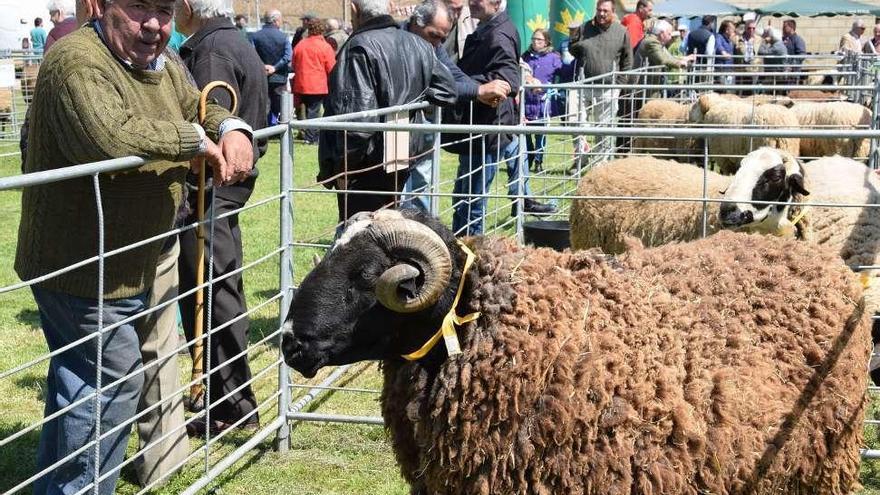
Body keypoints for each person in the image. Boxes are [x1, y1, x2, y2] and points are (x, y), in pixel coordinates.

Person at [17, 0, 255, 492]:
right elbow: (109, 134)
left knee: (83, 386)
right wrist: (193, 142)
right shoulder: (76, 62)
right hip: (82, 264)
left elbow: (198, 102)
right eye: (139, 7)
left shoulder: (162, 63)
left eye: (164, 11)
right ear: (101, 6)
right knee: (109, 387)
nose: (154, 24)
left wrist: (229, 127)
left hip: (132, 258)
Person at [175, 0, 269, 437]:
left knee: (213, 291)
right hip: (221, 189)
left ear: (191, 5)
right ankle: (224, 395)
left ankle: (232, 403)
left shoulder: (212, 52)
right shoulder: (230, 41)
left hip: (211, 191)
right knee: (217, 287)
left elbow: (213, 122)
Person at [318, 0, 456, 223]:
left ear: (354, 10)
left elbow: (357, 123)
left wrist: (342, 168)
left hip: (365, 163)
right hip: (400, 154)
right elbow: (447, 91)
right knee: (386, 226)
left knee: (362, 233)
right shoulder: (419, 44)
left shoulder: (359, 46)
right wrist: (412, 96)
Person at [446, 0, 557, 235]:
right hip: (482, 125)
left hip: (487, 128)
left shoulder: (499, 34)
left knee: (472, 200)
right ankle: (459, 248)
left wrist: (466, 85)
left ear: (496, 2)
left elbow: (507, 79)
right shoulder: (488, 29)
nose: (471, 2)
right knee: (464, 195)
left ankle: (470, 256)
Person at [401, 0, 510, 213]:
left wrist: (479, 90)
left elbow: (451, 73)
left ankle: (423, 232)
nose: (437, 43)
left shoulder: (432, 44)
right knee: (399, 187)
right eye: (433, 35)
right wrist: (479, 92)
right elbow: (435, 84)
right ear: (416, 22)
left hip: (419, 123)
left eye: (442, 39)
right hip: (393, 126)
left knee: (423, 181)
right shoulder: (397, 41)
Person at [569, 0, 632, 156]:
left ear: (613, 11)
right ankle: (580, 157)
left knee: (602, 128)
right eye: (599, 10)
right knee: (574, 121)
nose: (601, 13)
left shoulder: (622, 31)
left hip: (607, 88)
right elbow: (575, 52)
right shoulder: (585, 27)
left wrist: (618, 85)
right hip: (583, 85)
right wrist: (573, 39)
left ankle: (600, 164)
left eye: (605, 11)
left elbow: (627, 61)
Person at [522, 28, 562, 172]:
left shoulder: (553, 58)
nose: (535, 42)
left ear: (546, 42)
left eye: (539, 39)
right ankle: (529, 154)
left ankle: (539, 161)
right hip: (526, 101)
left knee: (541, 134)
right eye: (533, 39)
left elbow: (563, 73)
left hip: (543, 102)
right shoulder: (525, 57)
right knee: (525, 133)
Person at [292, 17, 336, 144]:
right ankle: (311, 138)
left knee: (303, 111)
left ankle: (305, 134)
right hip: (317, 85)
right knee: (314, 112)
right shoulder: (325, 47)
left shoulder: (300, 45)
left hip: (301, 84)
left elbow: (294, 64)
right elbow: (331, 67)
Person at [251, 9, 291, 125]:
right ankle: (281, 129)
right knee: (280, 106)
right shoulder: (283, 37)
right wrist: (275, 67)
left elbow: (251, 54)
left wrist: (263, 66)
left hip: (262, 76)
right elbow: (288, 56)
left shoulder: (255, 36)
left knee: (264, 105)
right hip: (279, 78)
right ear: (276, 21)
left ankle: (264, 128)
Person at [635, 20, 695, 96]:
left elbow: (669, 56)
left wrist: (684, 58)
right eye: (669, 34)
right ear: (662, 33)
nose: (670, 37)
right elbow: (663, 60)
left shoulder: (657, 42)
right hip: (643, 86)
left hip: (649, 85)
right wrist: (680, 63)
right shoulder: (652, 42)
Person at [734, 19, 761, 89]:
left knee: (751, 93)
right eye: (749, 28)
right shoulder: (738, 39)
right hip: (741, 68)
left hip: (754, 69)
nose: (751, 30)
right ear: (745, 29)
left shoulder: (759, 39)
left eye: (753, 28)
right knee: (740, 91)